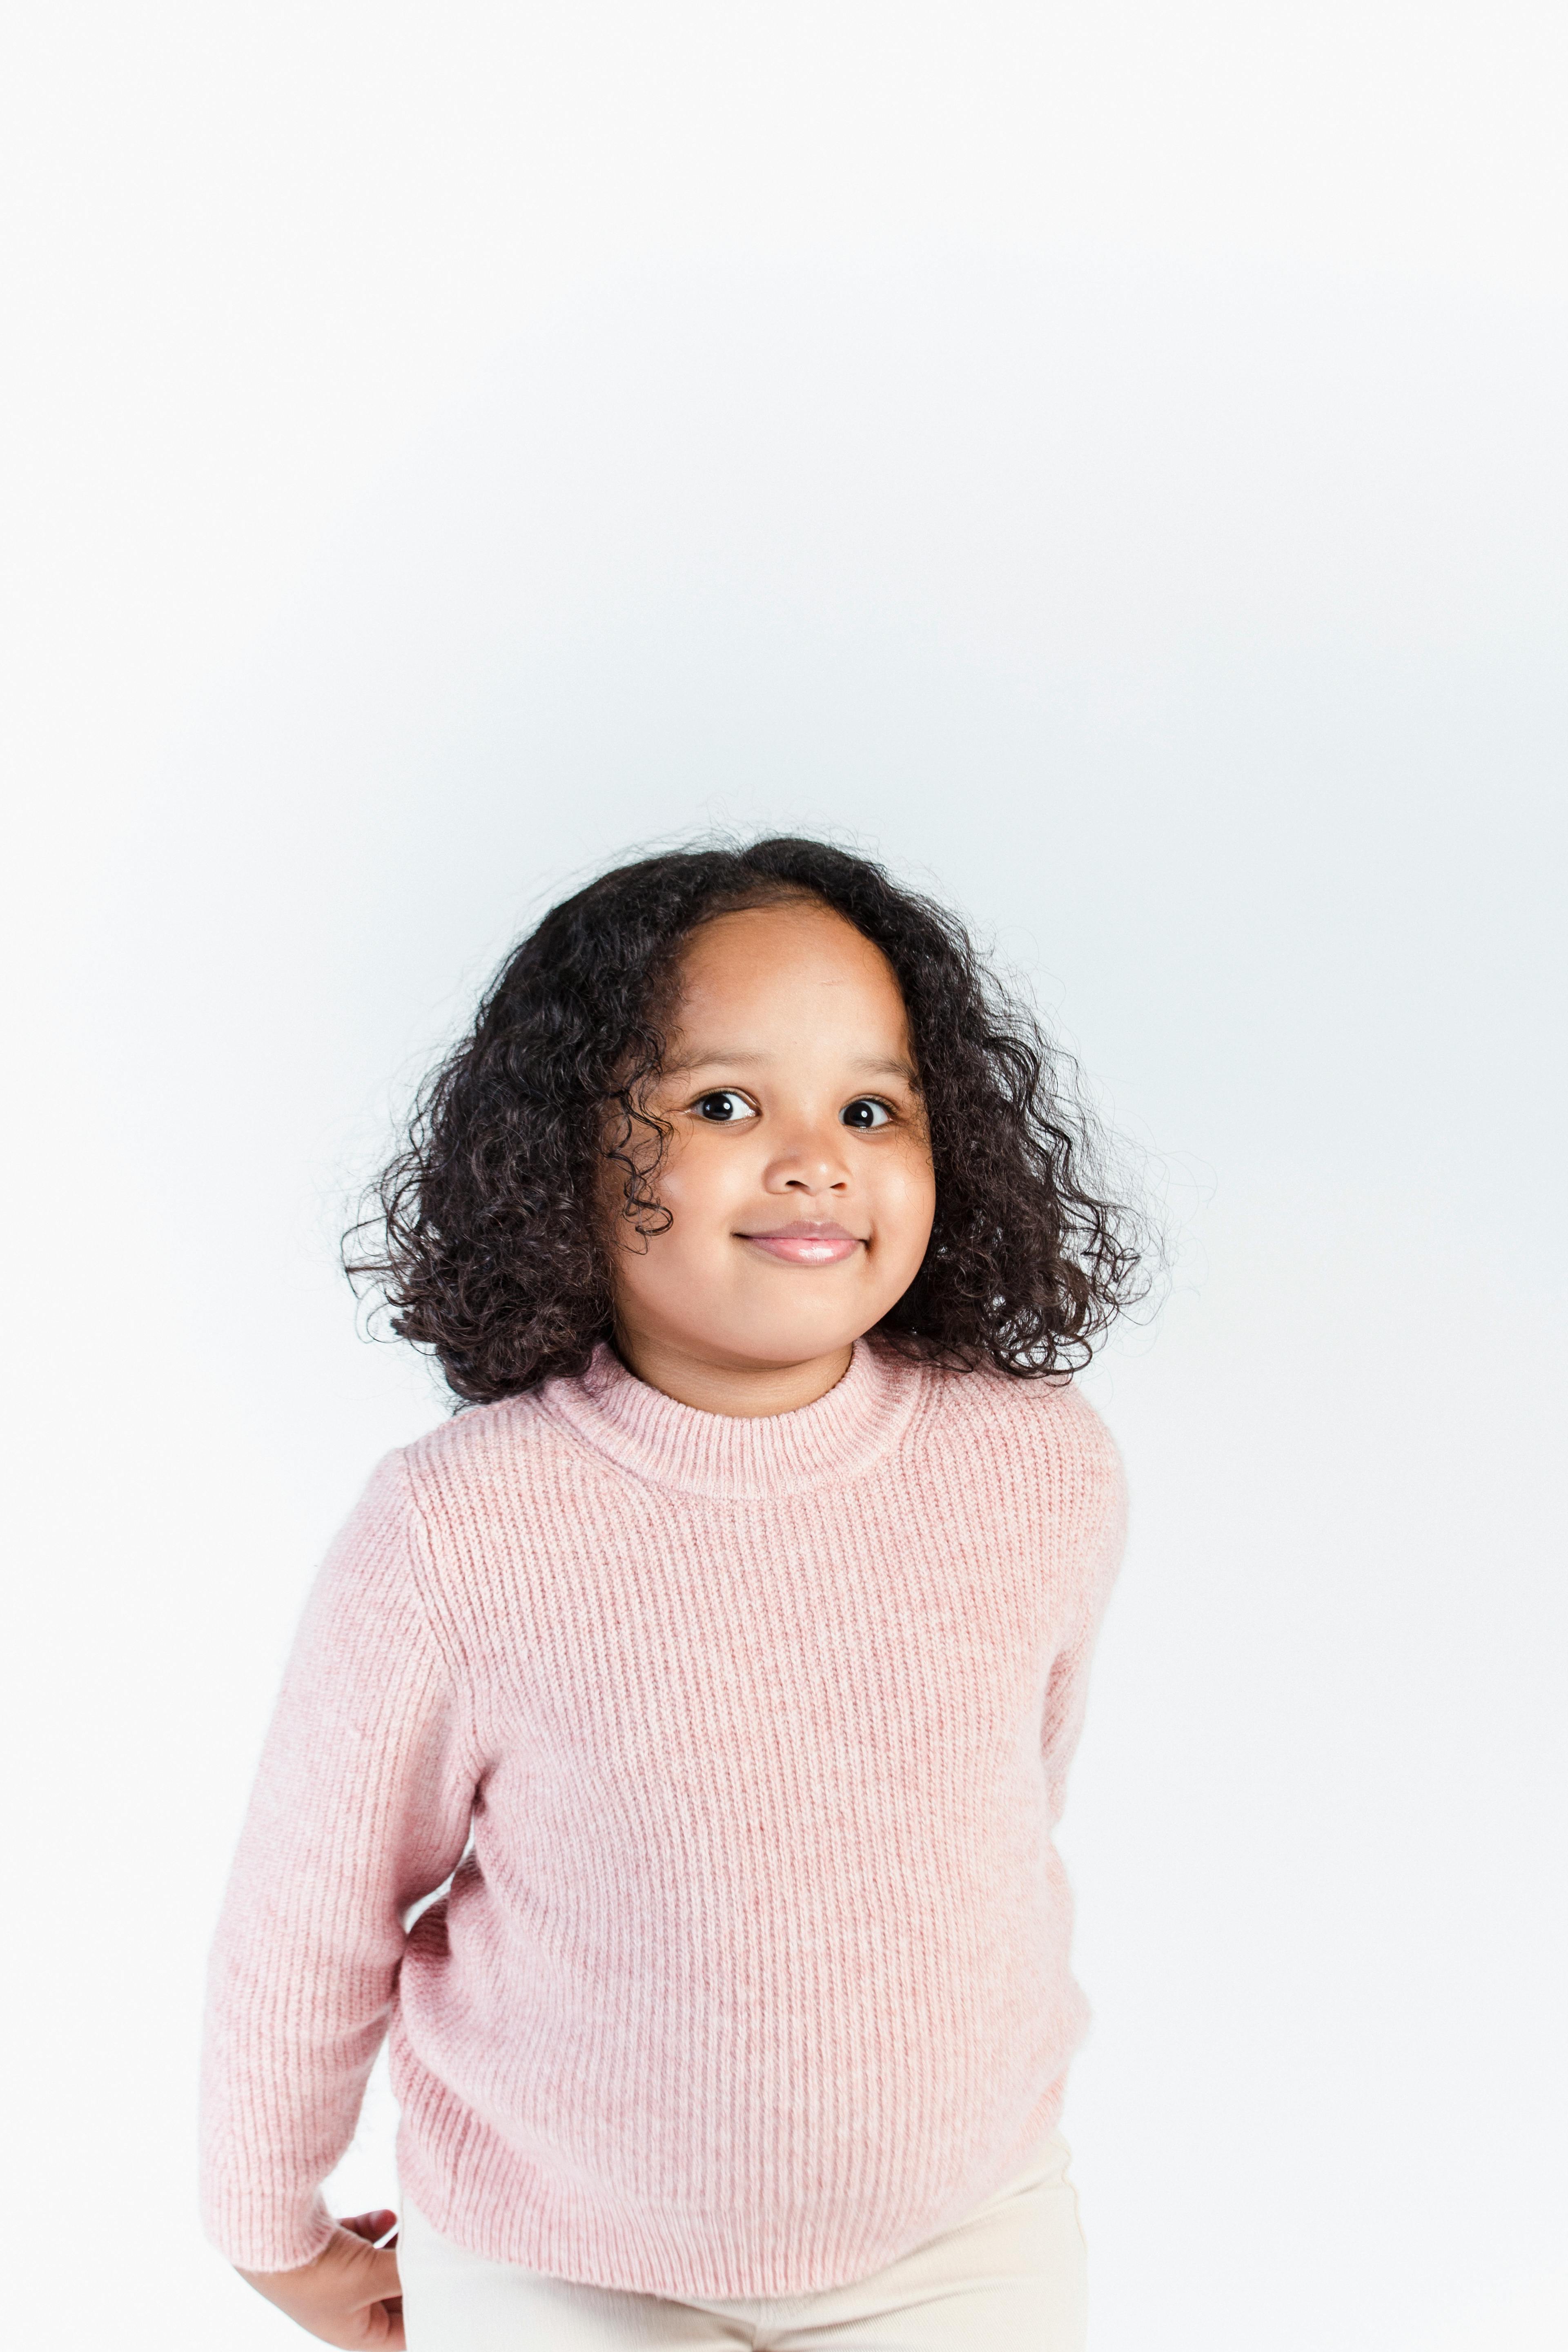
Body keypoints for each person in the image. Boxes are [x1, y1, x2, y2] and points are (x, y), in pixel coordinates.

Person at [199, 835, 1149, 2350]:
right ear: (566, 1152)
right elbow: (314, 1909)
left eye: (870, 1106)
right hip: (553, 2258)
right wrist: (273, 2225)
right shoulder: (462, 1527)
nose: (815, 1157)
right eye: (722, 1104)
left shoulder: (1040, 1468)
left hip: (963, 2238)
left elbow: (1003, 1795)